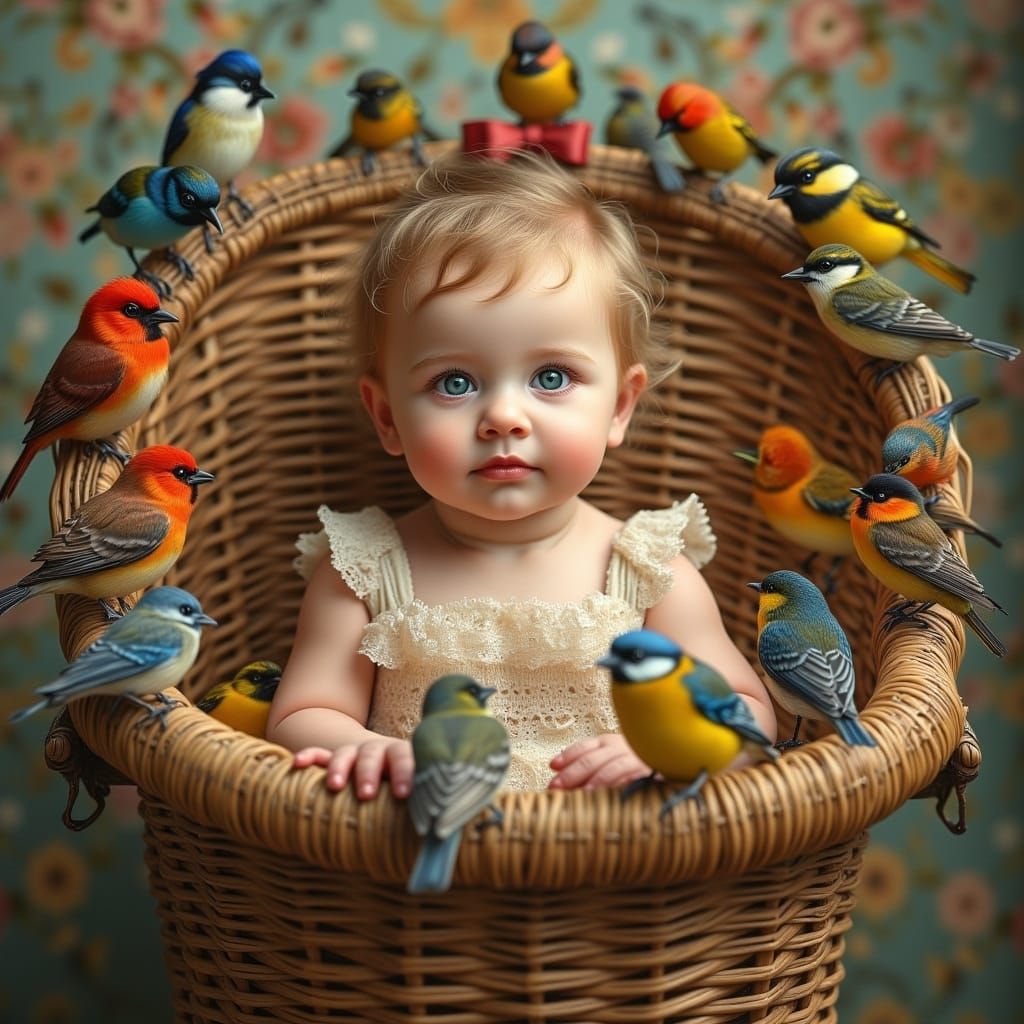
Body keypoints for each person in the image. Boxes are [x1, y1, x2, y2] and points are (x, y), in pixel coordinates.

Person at [265, 150, 776, 796]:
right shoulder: (365, 571)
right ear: (388, 417)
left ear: (620, 406)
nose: (504, 417)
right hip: (417, 871)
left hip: (621, 876)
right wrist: (365, 750)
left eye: (551, 377)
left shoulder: (650, 574)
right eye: (455, 382)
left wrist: (664, 754)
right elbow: (301, 716)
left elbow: (750, 715)